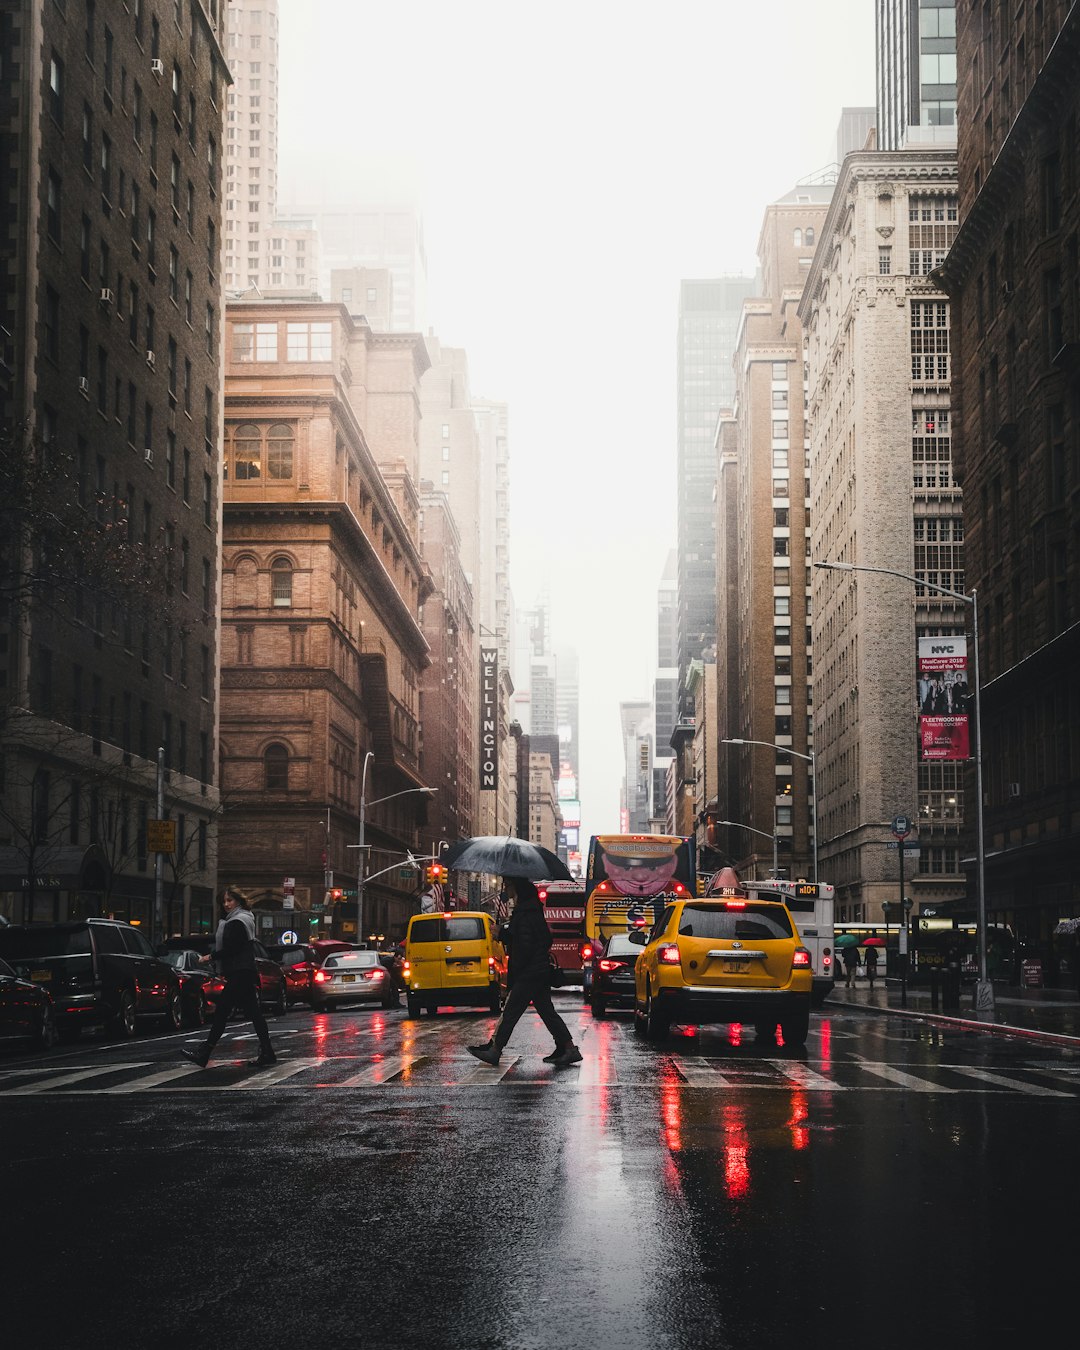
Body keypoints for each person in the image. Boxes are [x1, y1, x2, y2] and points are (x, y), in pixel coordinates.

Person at [468, 877, 582, 1068]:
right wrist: (504, 934)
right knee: (547, 1012)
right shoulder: (530, 911)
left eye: (509, 885)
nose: (508, 889)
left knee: (511, 1011)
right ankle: (568, 1048)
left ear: (518, 888)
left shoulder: (526, 913)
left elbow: (524, 946)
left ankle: (495, 1049)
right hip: (538, 971)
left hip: (529, 973)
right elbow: (531, 938)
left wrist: (515, 971)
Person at [181, 887, 277, 1069]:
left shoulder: (236, 922)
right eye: (224, 901)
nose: (226, 905)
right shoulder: (246, 918)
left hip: (240, 972)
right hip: (246, 971)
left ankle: (205, 1052)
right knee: (254, 1013)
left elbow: (233, 949)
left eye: (229, 901)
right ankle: (267, 1051)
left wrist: (210, 957)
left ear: (238, 901)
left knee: (222, 1011)